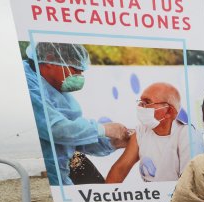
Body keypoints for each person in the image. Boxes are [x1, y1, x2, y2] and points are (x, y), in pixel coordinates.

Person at [24, 42, 129, 185]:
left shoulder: (56, 90)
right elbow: (56, 129)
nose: (79, 77)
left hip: (62, 174)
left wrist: (111, 142)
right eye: (76, 69)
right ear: (49, 59)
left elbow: (75, 138)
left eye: (82, 72)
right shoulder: (27, 85)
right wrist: (104, 129)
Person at [105, 82, 204, 183]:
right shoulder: (141, 132)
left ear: (169, 112)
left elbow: (190, 184)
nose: (141, 106)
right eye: (141, 101)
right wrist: (105, 196)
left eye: (147, 102)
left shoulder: (187, 136)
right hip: (153, 197)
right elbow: (120, 169)